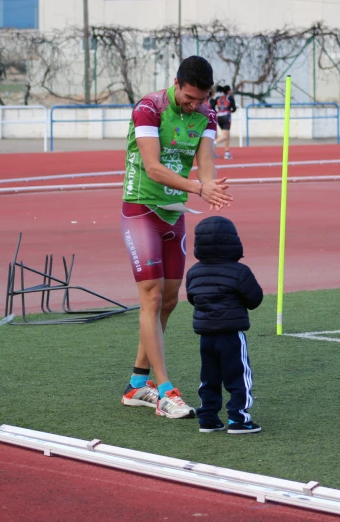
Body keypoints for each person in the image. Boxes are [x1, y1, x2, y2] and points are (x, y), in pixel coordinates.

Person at [120, 56, 233, 419]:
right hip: (141, 209)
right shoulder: (149, 108)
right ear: (176, 84)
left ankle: (137, 384)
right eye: (188, 97)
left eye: (200, 99)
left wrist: (210, 184)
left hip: (174, 214)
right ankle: (165, 390)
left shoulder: (208, 115)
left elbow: (206, 163)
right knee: (151, 296)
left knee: (168, 301)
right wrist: (199, 188)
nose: (194, 104)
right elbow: (153, 167)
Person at [185, 216, 264, 434]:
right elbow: (254, 299)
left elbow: (193, 297)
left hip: (206, 335)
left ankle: (208, 418)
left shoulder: (193, 271)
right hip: (231, 334)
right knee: (238, 375)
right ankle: (239, 418)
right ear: (233, 241)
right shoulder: (240, 271)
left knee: (209, 377)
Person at [213, 85, 237, 160]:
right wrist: (231, 111)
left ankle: (227, 153)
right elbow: (234, 107)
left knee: (226, 134)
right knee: (225, 136)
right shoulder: (229, 97)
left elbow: (213, 106)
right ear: (228, 91)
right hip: (226, 116)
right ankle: (212, 144)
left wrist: (218, 111)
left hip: (219, 117)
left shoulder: (218, 98)